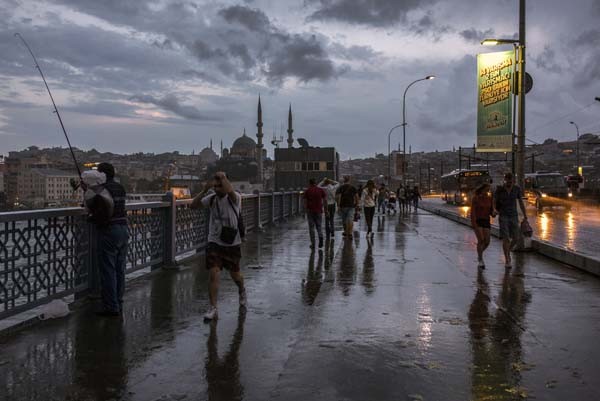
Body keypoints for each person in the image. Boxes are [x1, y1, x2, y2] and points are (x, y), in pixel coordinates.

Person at [191, 171, 246, 321]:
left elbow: (229, 190)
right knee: (214, 273)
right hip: (215, 241)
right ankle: (213, 307)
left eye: (219, 185)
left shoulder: (235, 198)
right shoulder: (212, 199)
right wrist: (204, 190)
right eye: (215, 186)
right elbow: (193, 206)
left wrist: (222, 178)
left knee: (236, 275)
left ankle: (241, 289)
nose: (217, 188)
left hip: (232, 242)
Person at [84, 162, 129, 317]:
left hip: (109, 230)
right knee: (119, 268)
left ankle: (111, 306)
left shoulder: (101, 188)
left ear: (101, 175)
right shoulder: (120, 187)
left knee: (108, 269)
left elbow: (93, 205)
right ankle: (118, 300)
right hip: (124, 229)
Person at [495, 172, 528, 269]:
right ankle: (507, 259)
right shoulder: (499, 190)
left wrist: (525, 215)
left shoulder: (517, 189)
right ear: (505, 180)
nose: (509, 182)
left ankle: (508, 251)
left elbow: (521, 202)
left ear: (513, 180)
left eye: (511, 180)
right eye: (507, 180)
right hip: (503, 215)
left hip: (513, 215)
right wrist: (494, 210)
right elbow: (494, 200)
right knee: (506, 238)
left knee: (516, 237)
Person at [471, 183, 496, 269]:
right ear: (482, 189)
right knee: (481, 240)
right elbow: (473, 212)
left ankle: (479, 254)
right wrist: (474, 224)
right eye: (486, 189)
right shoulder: (476, 198)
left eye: (488, 190)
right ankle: (481, 260)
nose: (487, 191)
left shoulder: (490, 199)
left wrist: (494, 213)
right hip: (478, 221)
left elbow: (492, 212)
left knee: (487, 241)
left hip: (486, 221)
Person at [304, 178, 327, 249]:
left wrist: (305, 210)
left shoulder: (307, 190)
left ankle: (313, 244)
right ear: (316, 183)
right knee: (319, 226)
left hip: (310, 210)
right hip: (319, 211)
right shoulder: (320, 190)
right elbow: (325, 200)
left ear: (310, 183)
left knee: (311, 228)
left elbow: (305, 201)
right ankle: (321, 237)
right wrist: (325, 209)